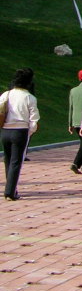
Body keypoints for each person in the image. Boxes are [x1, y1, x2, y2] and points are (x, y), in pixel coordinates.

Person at [1, 68, 39, 201]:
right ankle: (10, 191)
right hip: (20, 131)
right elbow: (34, 119)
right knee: (16, 162)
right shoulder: (30, 97)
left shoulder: (6, 94)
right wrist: (30, 132)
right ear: (28, 82)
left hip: (5, 131)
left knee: (8, 159)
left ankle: (10, 187)